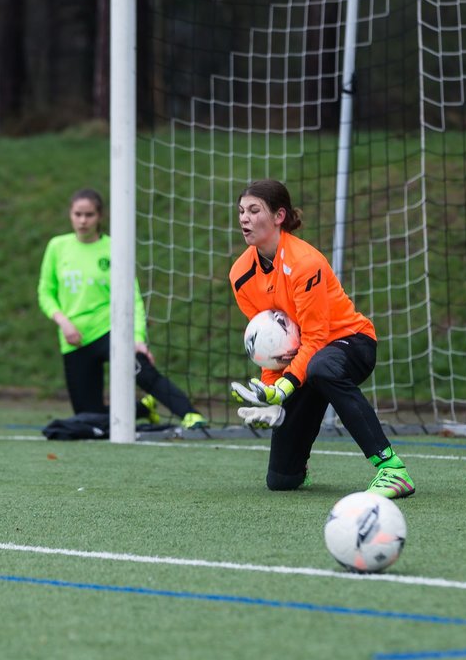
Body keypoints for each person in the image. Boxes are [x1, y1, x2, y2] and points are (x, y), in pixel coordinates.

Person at [228, 179, 414, 498]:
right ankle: (297, 467)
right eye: (241, 211)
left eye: (254, 210)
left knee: (322, 368)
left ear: (279, 216)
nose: (244, 218)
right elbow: (271, 345)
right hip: (306, 361)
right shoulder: (240, 275)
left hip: (349, 342)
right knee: (281, 481)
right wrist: (272, 392)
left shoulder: (304, 263)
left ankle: (392, 470)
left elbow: (315, 337)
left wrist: (285, 386)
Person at [37, 187, 207, 430]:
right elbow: (45, 292)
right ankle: (143, 409)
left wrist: (137, 339)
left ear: (100, 217)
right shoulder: (57, 247)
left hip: (111, 330)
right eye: (78, 214)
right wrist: (63, 321)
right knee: (87, 416)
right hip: (74, 338)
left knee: (144, 371)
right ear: (70, 215)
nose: (83, 221)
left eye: (89, 215)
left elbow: (133, 297)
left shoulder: (114, 247)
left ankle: (191, 415)